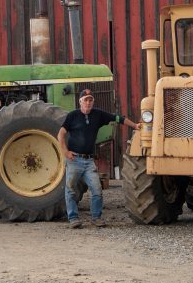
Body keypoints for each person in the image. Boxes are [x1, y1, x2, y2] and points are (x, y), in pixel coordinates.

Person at [57, 89, 138, 228]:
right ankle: (73, 218)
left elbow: (118, 118)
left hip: (89, 161)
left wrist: (136, 125)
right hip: (74, 160)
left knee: (97, 190)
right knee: (70, 189)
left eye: (90, 100)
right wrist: (65, 152)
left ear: (92, 102)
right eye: (85, 100)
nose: (88, 102)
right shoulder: (72, 116)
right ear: (80, 101)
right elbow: (61, 134)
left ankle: (96, 217)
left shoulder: (98, 115)